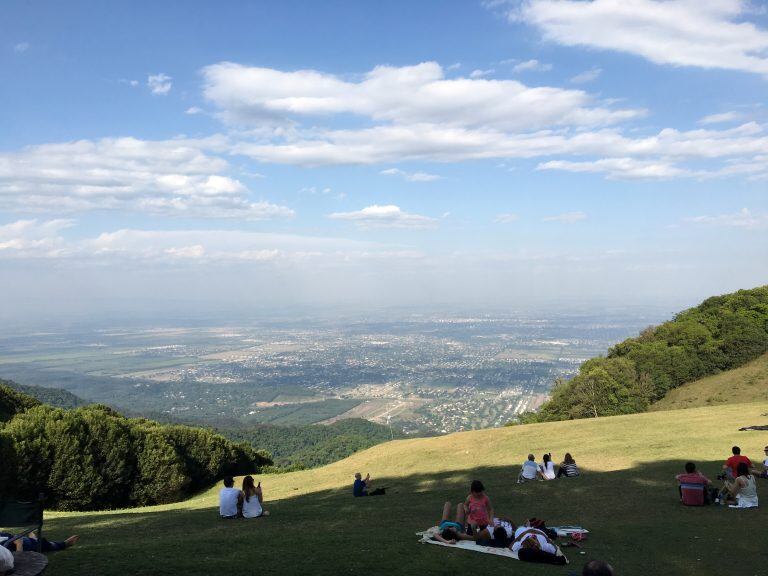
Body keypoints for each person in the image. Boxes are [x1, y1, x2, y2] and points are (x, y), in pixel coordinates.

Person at [0, 531, 78, 553]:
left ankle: (33, 537)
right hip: (30, 545)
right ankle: (65, 544)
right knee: (47, 545)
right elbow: (17, 560)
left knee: (33, 540)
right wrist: (19, 544)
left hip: (17, 539)